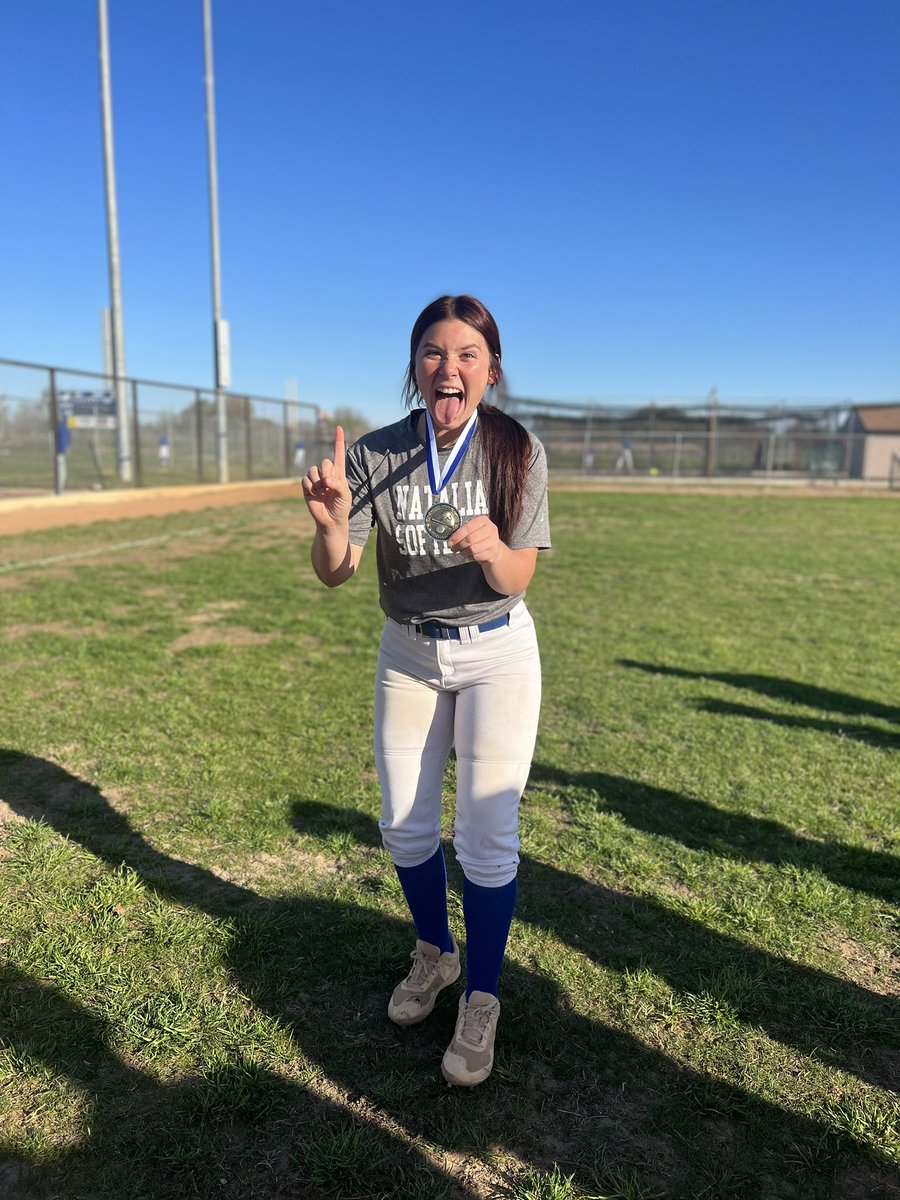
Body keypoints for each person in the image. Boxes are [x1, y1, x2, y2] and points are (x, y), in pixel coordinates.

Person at [302, 295, 550, 1087]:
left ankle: (482, 996)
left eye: (467, 355)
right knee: (405, 828)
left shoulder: (516, 452)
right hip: (407, 653)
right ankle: (435, 955)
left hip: (495, 653)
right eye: (434, 354)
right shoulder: (377, 454)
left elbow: (520, 576)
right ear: (415, 368)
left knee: (485, 834)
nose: (450, 367)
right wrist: (333, 521)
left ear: (491, 370)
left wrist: (492, 550)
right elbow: (336, 572)